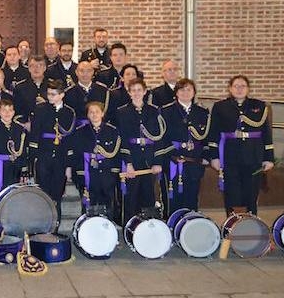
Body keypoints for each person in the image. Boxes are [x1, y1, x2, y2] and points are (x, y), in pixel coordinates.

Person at [209, 75, 274, 215]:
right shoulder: (220, 107)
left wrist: (269, 157)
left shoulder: (259, 106)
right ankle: (232, 226)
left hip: (254, 155)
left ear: (248, 88)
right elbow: (213, 132)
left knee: (251, 193)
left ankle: (251, 226)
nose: (239, 89)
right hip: (230, 155)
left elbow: (266, 133)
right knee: (232, 193)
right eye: (236, 86)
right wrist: (214, 157)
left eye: (242, 86)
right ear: (230, 88)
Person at [116, 78, 168, 223]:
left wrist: (157, 162)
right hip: (133, 158)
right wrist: (128, 163)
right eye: (133, 90)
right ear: (129, 92)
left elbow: (159, 138)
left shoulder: (154, 111)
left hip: (149, 159)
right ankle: (130, 227)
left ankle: (148, 228)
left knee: (149, 196)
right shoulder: (122, 112)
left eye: (140, 90)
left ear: (145, 92)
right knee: (131, 197)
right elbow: (123, 138)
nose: (137, 93)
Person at [160, 78, 210, 216]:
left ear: (194, 93)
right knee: (172, 199)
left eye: (189, 89)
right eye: (182, 89)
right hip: (173, 161)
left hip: (194, 161)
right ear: (176, 93)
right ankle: (172, 227)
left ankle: (189, 228)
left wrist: (206, 156)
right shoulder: (165, 111)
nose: (185, 92)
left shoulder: (202, 112)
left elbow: (206, 137)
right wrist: (173, 154)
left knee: (191, 198)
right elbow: (162, 138)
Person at [66, 101, 125, 218]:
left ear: (102, 114)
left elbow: (117, 153)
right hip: (87, 173)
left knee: (107, 203)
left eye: (97, 112)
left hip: (107, 173)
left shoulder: (112, 131)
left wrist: (114, 171)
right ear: (87, 115)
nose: (94, 115)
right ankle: (88, 228)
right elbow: (75, 153)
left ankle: (107, 226)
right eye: (91, 112)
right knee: (88, 203)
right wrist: (77, 170)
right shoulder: (80, 132)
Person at [30, 80, 76, 222]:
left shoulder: (69, 112)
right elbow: (35, 134)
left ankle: (56, 223)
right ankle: (43, 224)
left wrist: (69, 165)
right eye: (48, 94)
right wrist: (33, 159)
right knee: (43, 191)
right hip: (44, 154)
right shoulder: (40, 109)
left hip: (60, 157)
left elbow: (70, 140)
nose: (50, 97)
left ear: (62, 95)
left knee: (57, 192)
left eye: (53, 94)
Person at [64, 61, 110, 126]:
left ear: (93, 72)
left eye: (88, 71)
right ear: (76, 72)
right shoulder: (68, 93)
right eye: (82, 71)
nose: (85, 74)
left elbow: (107, 113)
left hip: (99, 129)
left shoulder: (103, 91)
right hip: (77, 131)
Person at [12, 55, 49, 126]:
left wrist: (46, 104)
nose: (36, 68)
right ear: (28, 68)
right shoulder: (20, 87)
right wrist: (24, 123)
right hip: (28, 126)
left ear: (45, 68)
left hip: (49, 125)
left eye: (40, 65)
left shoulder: (52, 86)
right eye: (33, 66)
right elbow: (17, 111)